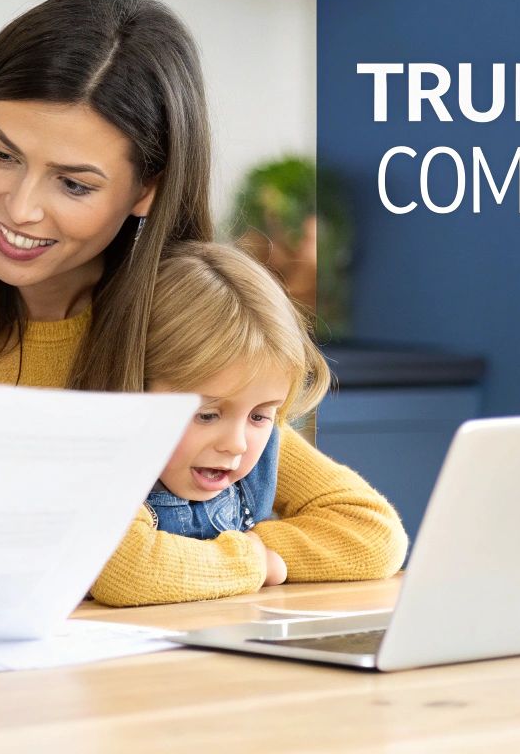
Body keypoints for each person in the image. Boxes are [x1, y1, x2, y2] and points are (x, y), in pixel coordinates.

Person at [0, 0, 402, 605]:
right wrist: (248, 561)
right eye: (3, 154)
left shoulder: (179, 325)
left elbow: (365, 531)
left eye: (73, 184)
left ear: (148, 188)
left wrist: (245, 560)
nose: (20, 207)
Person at [130, 241, 405, 604]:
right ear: (138, 390)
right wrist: (258, 564)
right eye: (208, 415)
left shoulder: (262, 445)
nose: (237, 444)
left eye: (260, 415)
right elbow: (132, 571)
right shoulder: (115, 457)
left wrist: (256, 547)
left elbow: (377, 535)